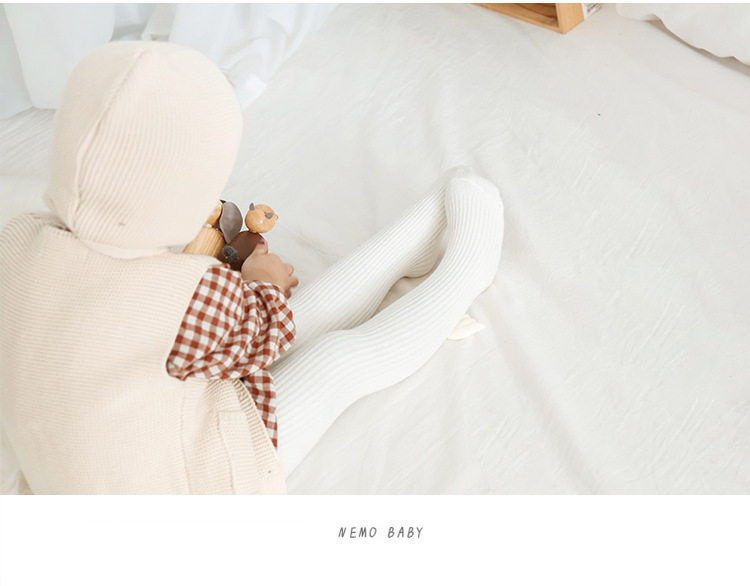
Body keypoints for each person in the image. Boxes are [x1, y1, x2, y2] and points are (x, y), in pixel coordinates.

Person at [0, 41, 504, 494]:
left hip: (83, 468)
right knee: (335, 362)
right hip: (186, 487)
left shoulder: (16, 239)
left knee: (300, 325)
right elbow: (268, 328)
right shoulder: (184, 294)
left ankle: (417, 237)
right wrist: (263, 283)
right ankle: (466, 271)